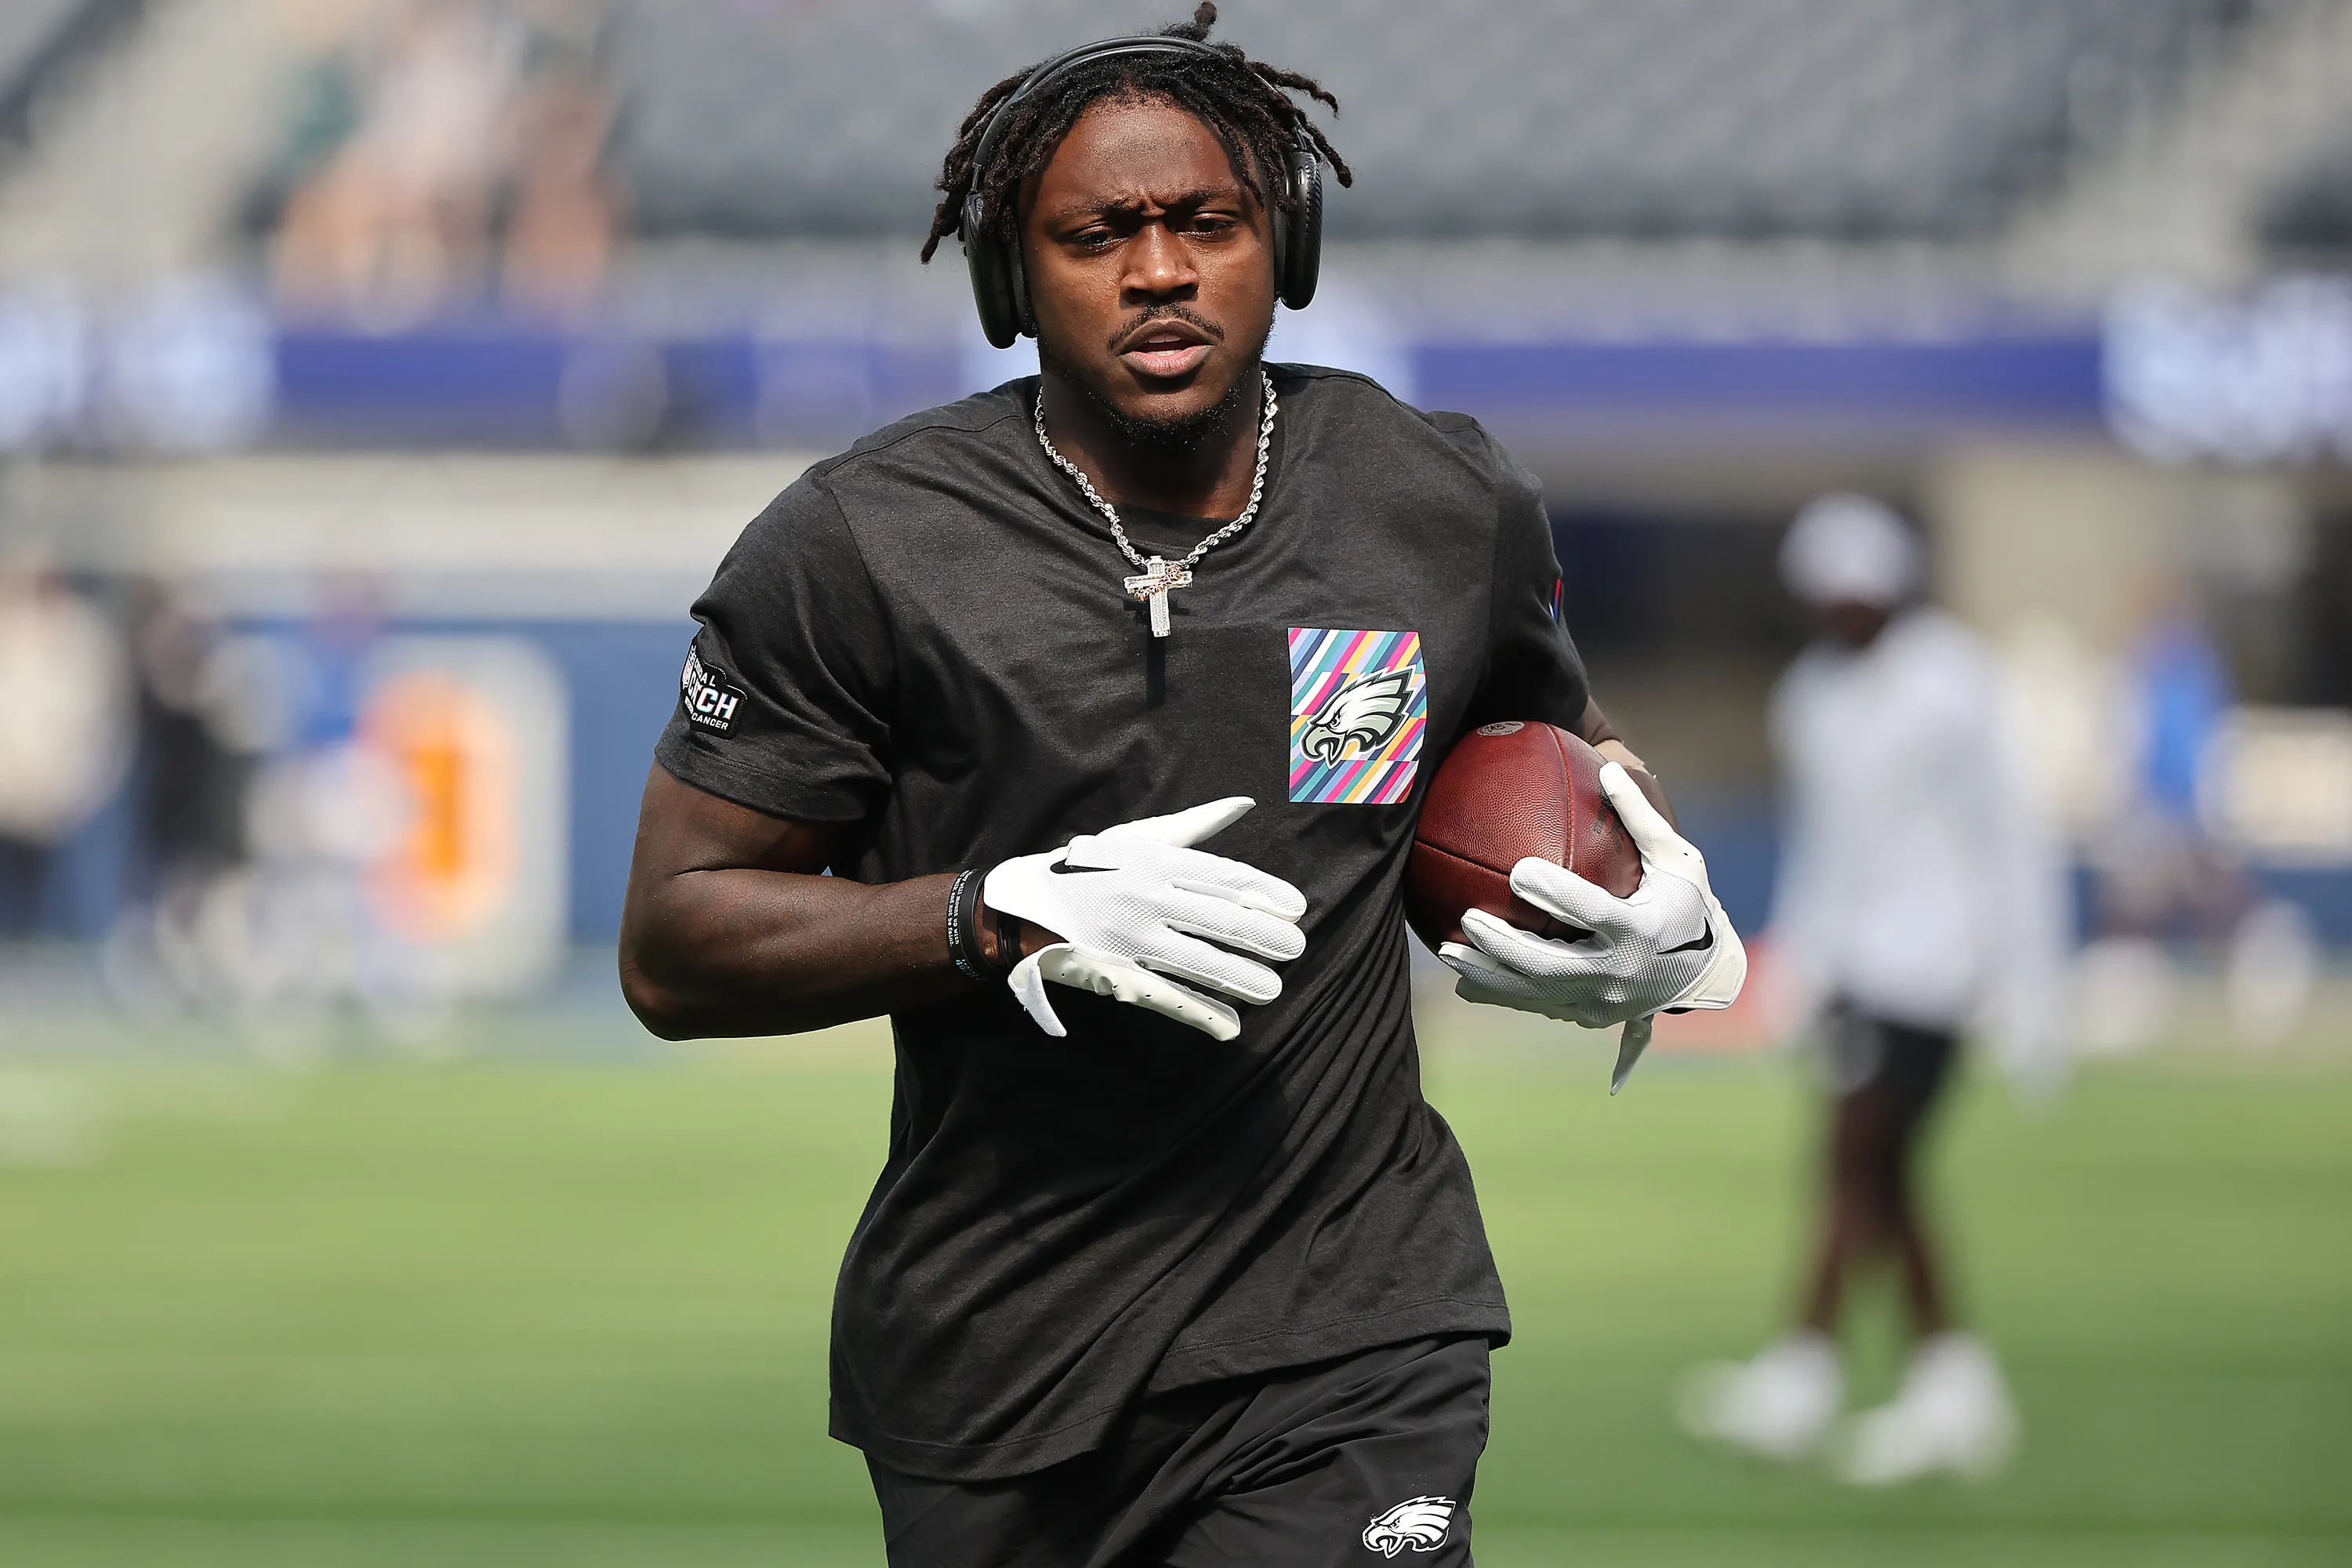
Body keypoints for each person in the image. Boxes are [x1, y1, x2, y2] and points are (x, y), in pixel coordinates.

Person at [619, 9, 1744, 1563]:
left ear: (1281, 242)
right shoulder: (864, 544)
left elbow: (1558, 746)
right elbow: (674, 945)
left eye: (1205, 222)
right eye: (1099, 234)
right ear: (1016, 280)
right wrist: (992, 914)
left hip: (1351, 1325)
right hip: (996, 1347)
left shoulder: (1434, 494)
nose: (1160, 269)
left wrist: (1667, 914)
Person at [1677, 493, 2067, 1486]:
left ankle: (1810, 1369)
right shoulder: (1812, 696)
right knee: (1881, 1172)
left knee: (1858, 1155)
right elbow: (1832, 846)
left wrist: (2029, 981)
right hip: (1860, 967)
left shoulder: (1953, 680)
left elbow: (2010, 834)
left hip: (1940, 970)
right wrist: (1800, 961)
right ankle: (1953, 1382)